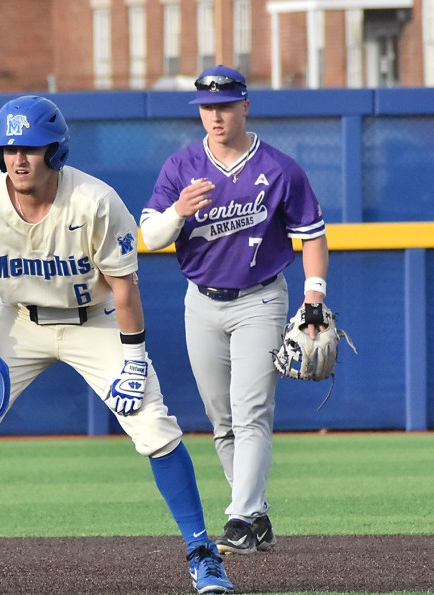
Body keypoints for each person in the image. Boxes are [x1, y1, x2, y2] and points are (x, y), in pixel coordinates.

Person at [0, 95, 234, 595]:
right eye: (8, 148)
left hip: (93, 321)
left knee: (153, 425)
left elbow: (125, 289)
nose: (18, 159)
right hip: (16, 321)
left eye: (30, 148)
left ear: (55, 150)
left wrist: (135, 359)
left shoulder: (95, 201)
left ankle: (202, 552)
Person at [140, 66, 330, 555]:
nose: (215, 116)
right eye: (207, 107)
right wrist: (179, 210)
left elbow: (311, 235)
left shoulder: (280, 168)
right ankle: (256, 512)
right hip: (200, 302)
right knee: (220, 419)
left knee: (251, 413)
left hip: (261, 299)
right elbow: (150, 236)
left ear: (245, 105)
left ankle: (240, 518)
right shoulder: (181, 168)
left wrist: (313, 298)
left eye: (225, 105)